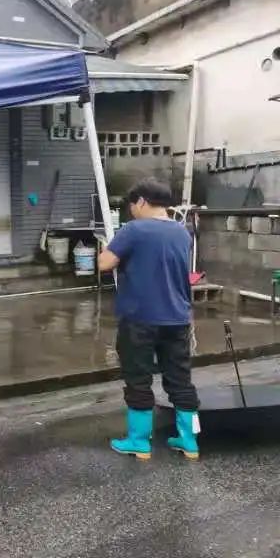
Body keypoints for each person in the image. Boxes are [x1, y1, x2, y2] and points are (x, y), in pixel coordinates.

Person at [98, 178, 200, 461]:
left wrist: (107, 247)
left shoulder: (134, 229)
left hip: (140, 318)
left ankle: (139, 441)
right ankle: (189, 440)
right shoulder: (182, 232)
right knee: (180, 379)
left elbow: (105, 263)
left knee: (138, 378)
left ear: (141, 201)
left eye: (132, 205)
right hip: (177, 318)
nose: (132, 211)